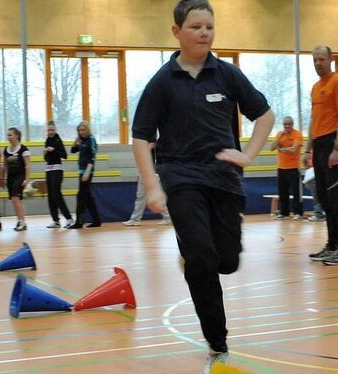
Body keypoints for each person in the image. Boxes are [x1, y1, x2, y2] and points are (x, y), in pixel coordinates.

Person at [131, 0, 274, 368]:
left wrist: (250, 155)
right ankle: (217, 339)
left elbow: (265, 115)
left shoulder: (227, 75)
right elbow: (141, 137)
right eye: (196, 27)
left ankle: (192, 257)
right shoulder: (163, 82)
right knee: (201, 257)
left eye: (209, 26)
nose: (204, 33)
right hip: (181, 178)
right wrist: (152, 187)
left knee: (227, 262)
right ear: (177, 32)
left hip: (224, 180)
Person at [304, 45, 338, 266]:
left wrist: (337, 148)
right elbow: (314, 120)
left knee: (337, 199)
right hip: (319, 146)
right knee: (324, 199)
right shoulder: (315, 88)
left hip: (334, 142)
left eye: (321, 59)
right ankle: (332, 245)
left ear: (330, 59)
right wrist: (308, 149)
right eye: (315, 60)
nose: (318, 63)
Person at [123, 139, 171, 226]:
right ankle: (136, 219)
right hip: (146, 171)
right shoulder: (145, 141)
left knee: (145, 196)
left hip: (152, 172)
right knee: (141, 196)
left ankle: (136, 219)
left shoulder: (154, 142)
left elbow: (145, 153)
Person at [68, 121, 101, 229]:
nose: (81, 132)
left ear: (87, 129)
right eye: (79, 130)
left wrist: (88, 170)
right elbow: (72, 150)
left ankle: (79, 222)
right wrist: (76, 141)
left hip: (87, 171)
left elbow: (92, 156)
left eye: (83, 130)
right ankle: (97, 220)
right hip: (81, 171)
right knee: (87, 197)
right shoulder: (81, 140)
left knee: (81, 196)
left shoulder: (91, 139)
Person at [270, 116, 303, 220]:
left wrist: (281, 149)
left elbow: (293, 149)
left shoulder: (297, 134)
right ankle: (284, 213)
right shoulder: (280, 134)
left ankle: (298, 213)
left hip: (293, 167)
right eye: (285, 124)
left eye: (289, 124)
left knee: (295, 192)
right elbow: (272, 148)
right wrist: (279, 139)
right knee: (282, 191)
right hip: (281, 167)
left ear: (292, 124)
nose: (287, 126)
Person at [43, 120, 74, 228]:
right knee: (51, 196)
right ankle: (55, 220)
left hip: (57, 170)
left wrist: (54, 150)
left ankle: (69, 218)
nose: (50, 132)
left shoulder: (58, 140)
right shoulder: (47, 140)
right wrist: (46, 153)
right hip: (48, 170)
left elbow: (65, 155)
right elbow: (46, 158)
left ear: (55, 130)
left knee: (57, 194)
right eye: (48, 130)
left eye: (52, 130)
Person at [1, 127, 30, 231]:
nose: (8, 137)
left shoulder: (24, 149)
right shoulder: (6, 150)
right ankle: (20, 220)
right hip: (10, 178)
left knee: (15, 198)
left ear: (16, 135)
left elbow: (27, 165)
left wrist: (27, 179)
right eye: (7, 135)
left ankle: (22, 221)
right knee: (15, 200)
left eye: (10, 135)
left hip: (20, 177)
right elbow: (4, 165)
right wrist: (2, 178)